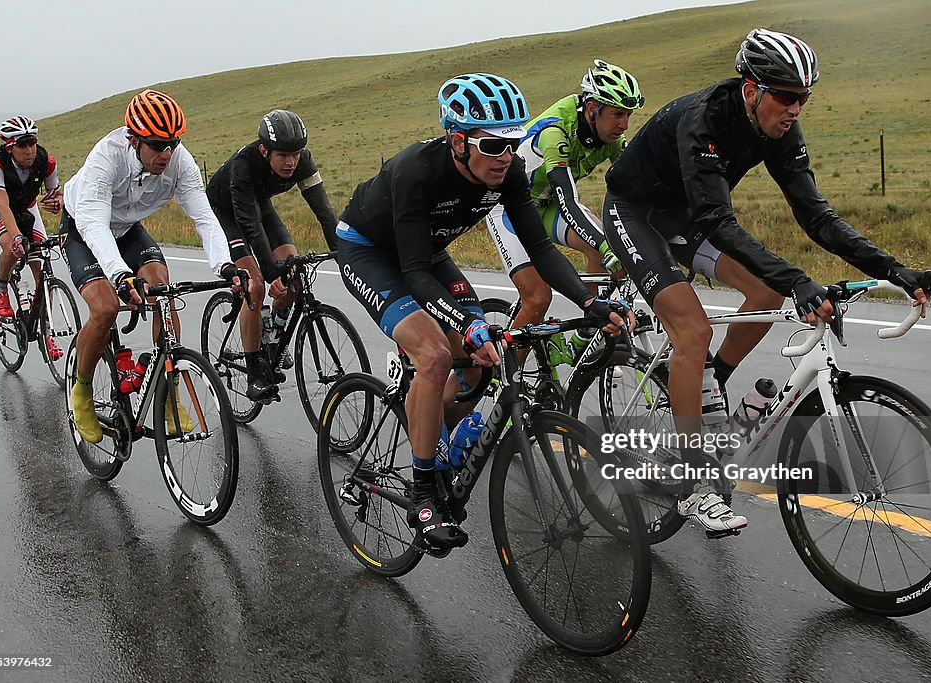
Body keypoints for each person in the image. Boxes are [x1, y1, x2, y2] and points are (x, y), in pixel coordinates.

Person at [602, 28, 931, 536]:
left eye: (803, 98)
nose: (795, 109)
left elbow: (817, 218)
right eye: (785, 96)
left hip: (687, 216)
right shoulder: (705, 118)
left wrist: (893, 269)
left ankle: (708, 380)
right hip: (637, 213)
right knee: (692, 330)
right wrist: (802, 279)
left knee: (766, 292)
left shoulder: (781, 129)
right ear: (751, 88)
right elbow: (717, 221)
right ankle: (694, 486)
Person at [335, 73, 629, 551]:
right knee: (434, 356)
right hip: (371, 252)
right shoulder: (415, 171)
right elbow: (411, 270)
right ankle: (425, 490)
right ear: (458, 141)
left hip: (426, 252)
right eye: (492, 145)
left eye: (512, 143)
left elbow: (538, 247)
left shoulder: (508, 172)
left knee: (483, 356)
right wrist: (467, 324)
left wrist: (590, 301)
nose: (506, 156)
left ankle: (439, 427)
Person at [62, 89, 250, 444]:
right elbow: (96, 228)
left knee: (163, 290)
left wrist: (225, 266)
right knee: (105, 308)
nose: (166, 153)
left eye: (172, 143)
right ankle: (82, 392)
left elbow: (205, 218)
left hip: (129, 229)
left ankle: (168, 393)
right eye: (157, 144)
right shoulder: (106, 159)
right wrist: (119, 276)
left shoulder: (180, 162)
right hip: (85, 229)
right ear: (133, 140)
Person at [484, 60, 644, 364]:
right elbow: (569, 201)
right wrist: (608, 246)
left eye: (628, 116)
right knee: (538, 296)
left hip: (545, 206)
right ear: (593, 108)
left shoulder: (610, 139)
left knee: (602, 245)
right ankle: (507, 380)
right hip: (508, 207)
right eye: (618, 115)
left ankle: (586, 337)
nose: (624, 125)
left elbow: (641, 187)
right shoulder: (556, 131)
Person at [206, 109, 338, 402]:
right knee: (255, 285)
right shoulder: (244, 166)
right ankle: (254, 372)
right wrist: (269, 271)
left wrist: (345, 256)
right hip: (227, 212)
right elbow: (250, 227)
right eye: (283, 155)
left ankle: (275, 334)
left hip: (259, 204)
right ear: (265, 150)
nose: (291, 162)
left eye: (296, 153)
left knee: (296, 273)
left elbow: (325, 213)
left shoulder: (302, 162)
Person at [0, 116, 65, 358]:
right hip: (0, 209)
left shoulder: (46, 161)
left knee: (40, 266)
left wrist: (55, 202)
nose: (30, 150)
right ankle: (1, 288)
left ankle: (47, 333)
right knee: (11, 246)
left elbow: (55, 193)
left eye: (32, 143)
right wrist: (18, 237)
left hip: (28, 208)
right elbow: (3, 205)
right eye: (23, 144)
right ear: (10, 147)